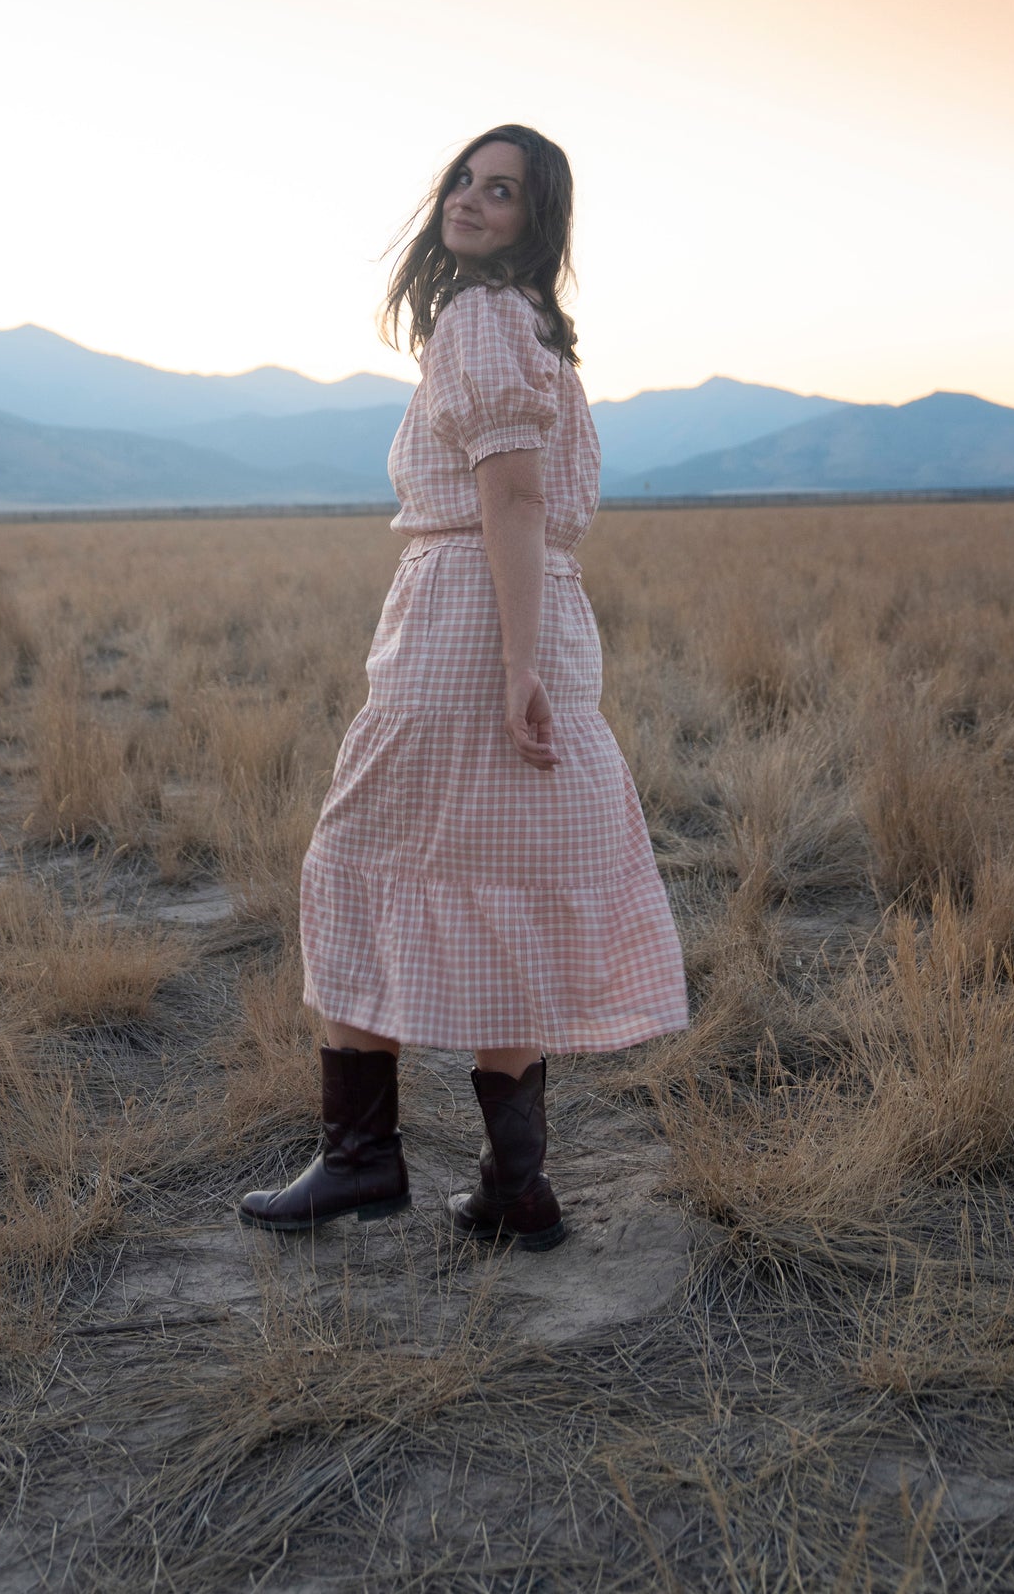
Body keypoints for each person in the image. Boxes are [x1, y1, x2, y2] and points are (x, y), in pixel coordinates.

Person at [237, 124, 688, 1250]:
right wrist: (537, 655)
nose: (472, 201)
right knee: (510, 890)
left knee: (352, 865)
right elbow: (534, 511)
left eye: (503, 191)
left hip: (468, 625)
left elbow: (516, 499)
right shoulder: (537, 332)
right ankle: (514, 1188)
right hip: (535, 614)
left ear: (537, 223)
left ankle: (361, 1159)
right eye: (463, 180)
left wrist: (513, 662)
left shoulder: (478, 318)